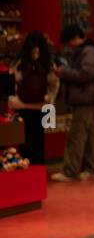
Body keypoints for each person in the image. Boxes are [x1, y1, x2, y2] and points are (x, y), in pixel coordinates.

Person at [52, 23, 94, 182]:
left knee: (76, 135)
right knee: (88, 137)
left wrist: (64, 72)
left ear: (75, 38)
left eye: (69, 42)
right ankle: (93, 169)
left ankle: (70, 171)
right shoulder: (88, 51)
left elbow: (87, 73)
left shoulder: (88, 52)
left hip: (85, 99)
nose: (69, 46)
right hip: (87, 98)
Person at [7, 31, 58, 165]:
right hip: (41, 106)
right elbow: (54, 85)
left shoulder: (20, 62)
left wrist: (12, 100)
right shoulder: (48, 63)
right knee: (38, 140)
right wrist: (49, 100)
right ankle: (38, 168)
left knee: (23, 141)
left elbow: (12, 81)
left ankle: (25, 167)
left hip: (21, 106)